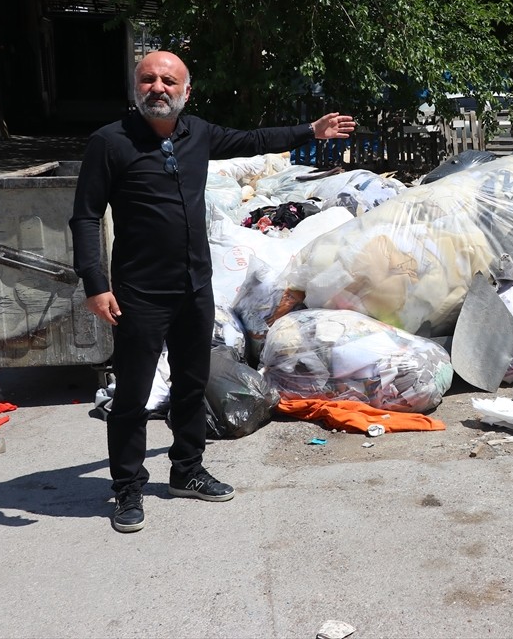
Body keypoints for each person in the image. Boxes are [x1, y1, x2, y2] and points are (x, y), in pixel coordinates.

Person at [70, 50, 356, 533]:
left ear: (186, 91)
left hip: (194, 287)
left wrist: (310, 131)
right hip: (140, 292)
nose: (158, 87)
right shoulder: (109, 143)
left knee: (190, 383)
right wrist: (96, 285)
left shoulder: (196, 132)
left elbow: (253, 139)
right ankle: (126, 488)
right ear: (134, 87)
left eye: (168, 80)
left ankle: (186, 470)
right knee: (133, 396)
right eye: (148, 79)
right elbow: (84, 215)